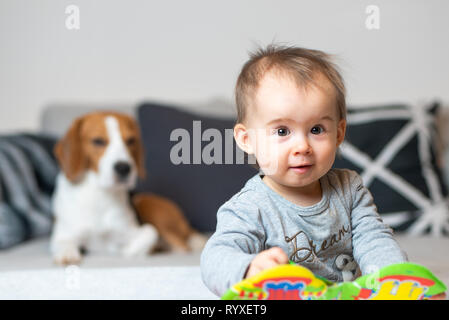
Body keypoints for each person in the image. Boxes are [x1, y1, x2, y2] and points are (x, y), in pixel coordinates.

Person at [200, 44, 412, 298]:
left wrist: (391, 277)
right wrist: (248, 269)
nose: (302, 146)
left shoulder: (349, 188)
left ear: (339, 133)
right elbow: (215, 257)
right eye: (282, 131)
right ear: (247, 139)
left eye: (316, 129)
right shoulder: (249, 207)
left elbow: (373, 238)